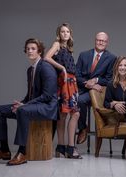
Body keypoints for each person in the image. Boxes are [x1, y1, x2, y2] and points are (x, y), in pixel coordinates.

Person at [0, 38, 58, 165]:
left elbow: (47, 96)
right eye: (28, 49)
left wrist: (25, 105)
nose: (30, 51)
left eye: (33, 48)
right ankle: (4, 150)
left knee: (23, 110)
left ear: (39, 51)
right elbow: (31, 94)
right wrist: (22, 102)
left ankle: (22, 152)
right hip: (34, 105)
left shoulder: (46, 68)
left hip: (48, 107)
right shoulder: (30, 70)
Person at [44, 23, 81, 159]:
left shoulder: (68, 49)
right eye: (62, 32)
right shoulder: (57, 45)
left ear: (70, 34)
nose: (65, 34)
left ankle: (61, 146)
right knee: (72, 114)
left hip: (72, 83)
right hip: (65, 82)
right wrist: (62, 68)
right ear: (59, 34)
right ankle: (70, 148)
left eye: (67, 32)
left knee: (66, 115)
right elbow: (46, 57)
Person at [76, 32, 116, 144]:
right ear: (95, 40)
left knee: (80, 101)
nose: (100, 42)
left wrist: (96, 80)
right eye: (99, 40)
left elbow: (109, 79)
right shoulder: (83, 55)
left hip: (97, 92)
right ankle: (66, 143)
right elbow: (76, 75)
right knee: (70, 100)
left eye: (103, 41)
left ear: (107, 43)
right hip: (82, 88)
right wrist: (87, 83)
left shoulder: (112, 58)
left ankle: (82, 128)